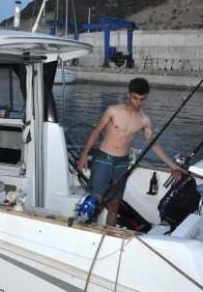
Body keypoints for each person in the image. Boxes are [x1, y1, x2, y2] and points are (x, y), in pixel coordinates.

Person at [77, 77, 183, 227]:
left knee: (114, 204)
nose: (138, 103)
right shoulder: (113, 111)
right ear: (128, 95)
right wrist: (83, 156)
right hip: (104, 159)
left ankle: (110, 235)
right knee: (95, 200)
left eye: (142, 99)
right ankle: (86, 231)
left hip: (122, 162)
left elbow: (153, 145)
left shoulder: (144, 120)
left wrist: (172, 166)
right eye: (135, 98)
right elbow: (96, 131)